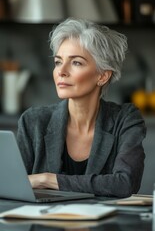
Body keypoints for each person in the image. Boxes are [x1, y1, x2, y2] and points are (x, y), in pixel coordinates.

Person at [17, 17, 146, 198]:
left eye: (76, 62)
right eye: (58, 62)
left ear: (102, 76)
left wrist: (46, 179)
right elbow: (12, 187)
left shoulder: (125, 119)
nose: (61, 71)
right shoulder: (33, 121)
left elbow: (124, 184)